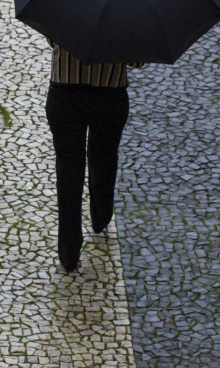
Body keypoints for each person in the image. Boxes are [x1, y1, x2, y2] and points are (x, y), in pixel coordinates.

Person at [44, 37, 143, 272]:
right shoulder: (128, 10)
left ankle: (68, 251)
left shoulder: (61, 2)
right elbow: (137, 61)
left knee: (68, 171)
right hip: (109, 96)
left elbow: (52, 38)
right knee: (104, 159)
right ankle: (101, 216)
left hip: (65, 94)